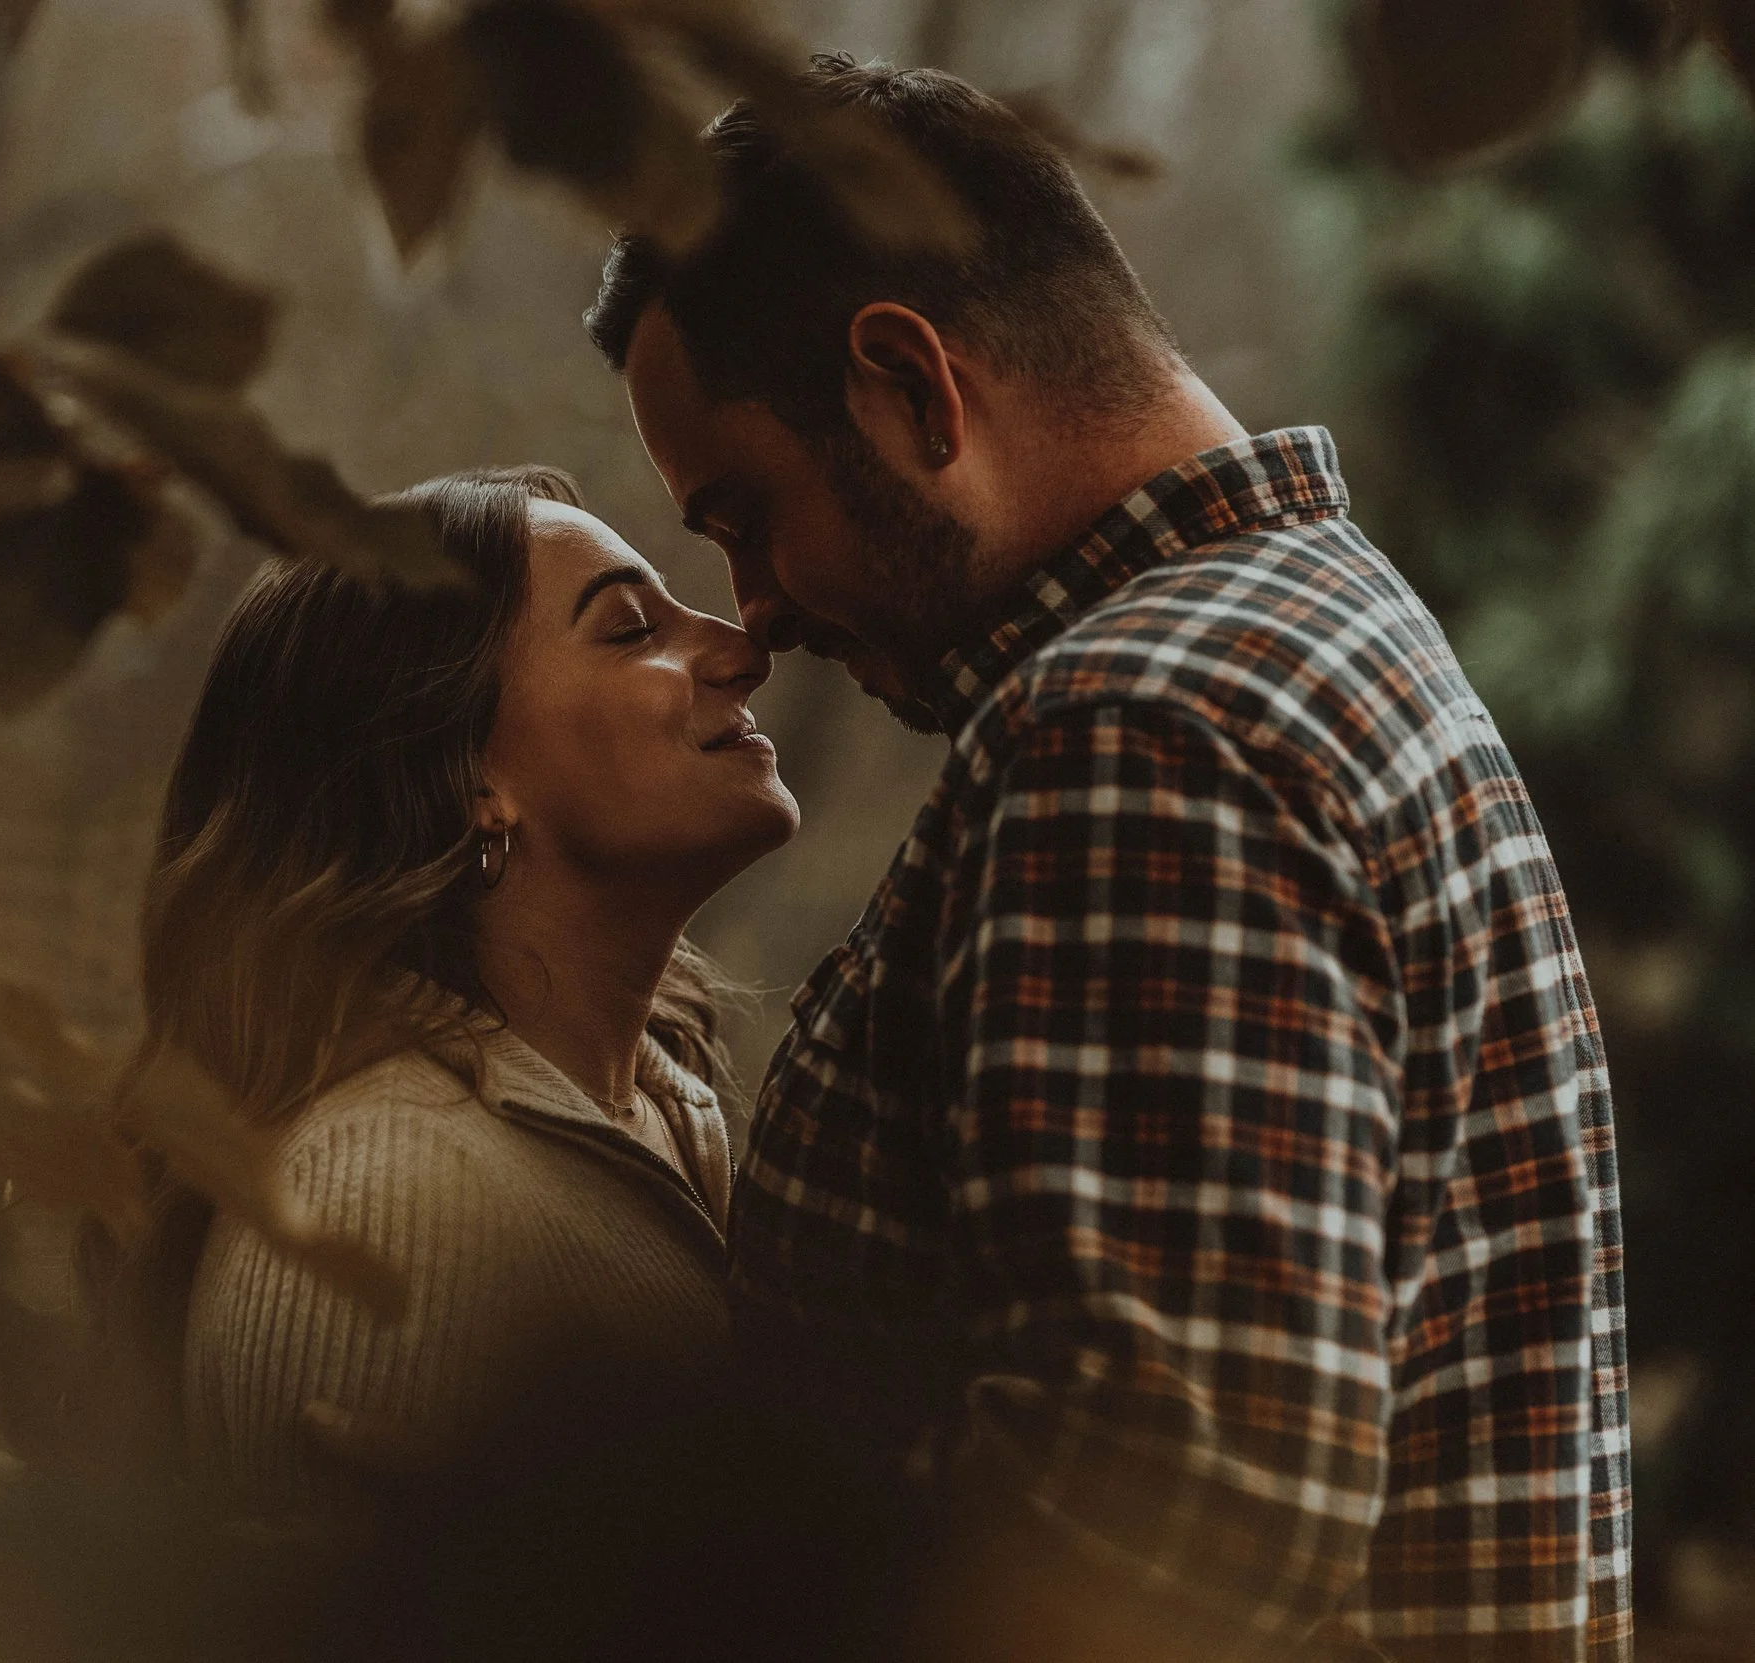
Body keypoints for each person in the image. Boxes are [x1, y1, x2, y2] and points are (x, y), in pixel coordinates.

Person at [585, 56, 1633, 1663]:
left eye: (744, 514)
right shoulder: (1313, 627)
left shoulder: (1136, 727)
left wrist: (574, 1575)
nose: (759, 607)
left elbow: (1176, 1515)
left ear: (911, 388)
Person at [141, 466, 797, 1514]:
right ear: (469, 781)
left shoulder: (666, 1115)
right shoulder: (379, 1199)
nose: (741, 649)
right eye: (630, 628)